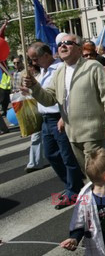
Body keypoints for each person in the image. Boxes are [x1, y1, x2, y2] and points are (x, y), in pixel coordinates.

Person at [23, 34, 105, 173]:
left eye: (68, 43)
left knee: (96, 174)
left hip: (92, 132)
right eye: (61, 44)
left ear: (79, 49)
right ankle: (102, 192)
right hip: (72, 133)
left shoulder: (93, 66)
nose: (63, 46)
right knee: (87, 173)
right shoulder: (60, 71)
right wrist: (34, 86)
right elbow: (49, 99)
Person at [26, 42, 84, 207]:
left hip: (58, 117)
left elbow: (68, 93)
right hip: (46, 119)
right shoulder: (43, 70)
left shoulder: (60, 69)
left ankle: (75, 190)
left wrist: (63, 115)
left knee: (67, 156)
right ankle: (71, 184)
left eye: (35, 58)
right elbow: (45, 94)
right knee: (51, 154)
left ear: (46, 55)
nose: (33, 62)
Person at [24, 61, 48, 173]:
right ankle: (34, 162)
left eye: (29, 66)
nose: (28, 69)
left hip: (47, 110)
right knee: (36, 136)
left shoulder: (41, 76)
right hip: (37, 111)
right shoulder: (30, 78)